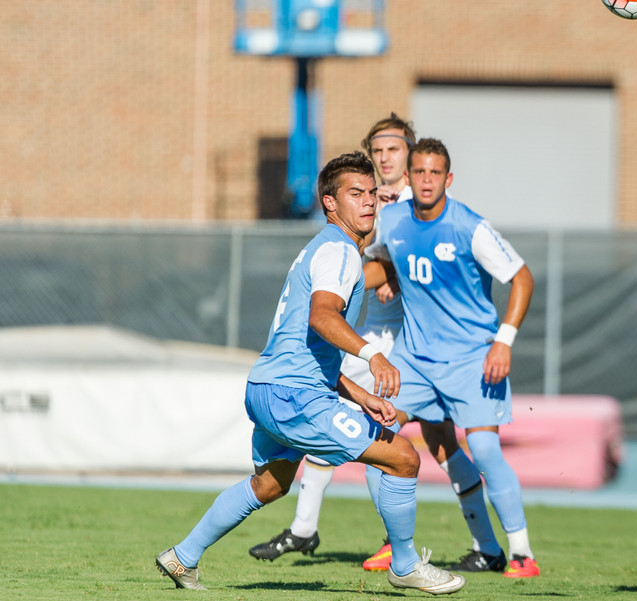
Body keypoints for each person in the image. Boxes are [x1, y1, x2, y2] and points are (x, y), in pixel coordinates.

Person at [155, 151, 465, 595]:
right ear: (330, 203)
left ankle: (182, 558)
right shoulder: (339, 250)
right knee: (404, 458)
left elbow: (306, 347)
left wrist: (358, 394)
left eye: (373, 194)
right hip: (293, 396)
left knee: (270, 484)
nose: (369, 203)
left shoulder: (323, 249)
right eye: (355, 194)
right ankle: (405, 565)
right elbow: (323, 317)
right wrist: (374, 354)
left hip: (268, 387)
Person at [249, 115, 498, 576]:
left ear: (411, 157)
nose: (385, 156)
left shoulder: (412, 204)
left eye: (395, 148)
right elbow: (346, 280)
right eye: (378, 148)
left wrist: (388, 275)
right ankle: (341, 534)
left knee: (423, 443)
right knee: (370, 435)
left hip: (401, 345)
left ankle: (486, 545)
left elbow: (428, 263)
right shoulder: (365, 197)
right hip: (369, 342)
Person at [363, 137, 541, 578]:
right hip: (416, 359)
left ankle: (520, 554)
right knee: (374, 436)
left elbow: (522, 278)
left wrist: (504, 341)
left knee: (482, 447)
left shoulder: (468, 227)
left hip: (472, 358)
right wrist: (338, 281)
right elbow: (385, 265)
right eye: (419, 172)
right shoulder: (393, 219)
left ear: (449, 179)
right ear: (408, 178)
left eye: (434, 173)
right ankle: (399, 547)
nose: (426, 180)